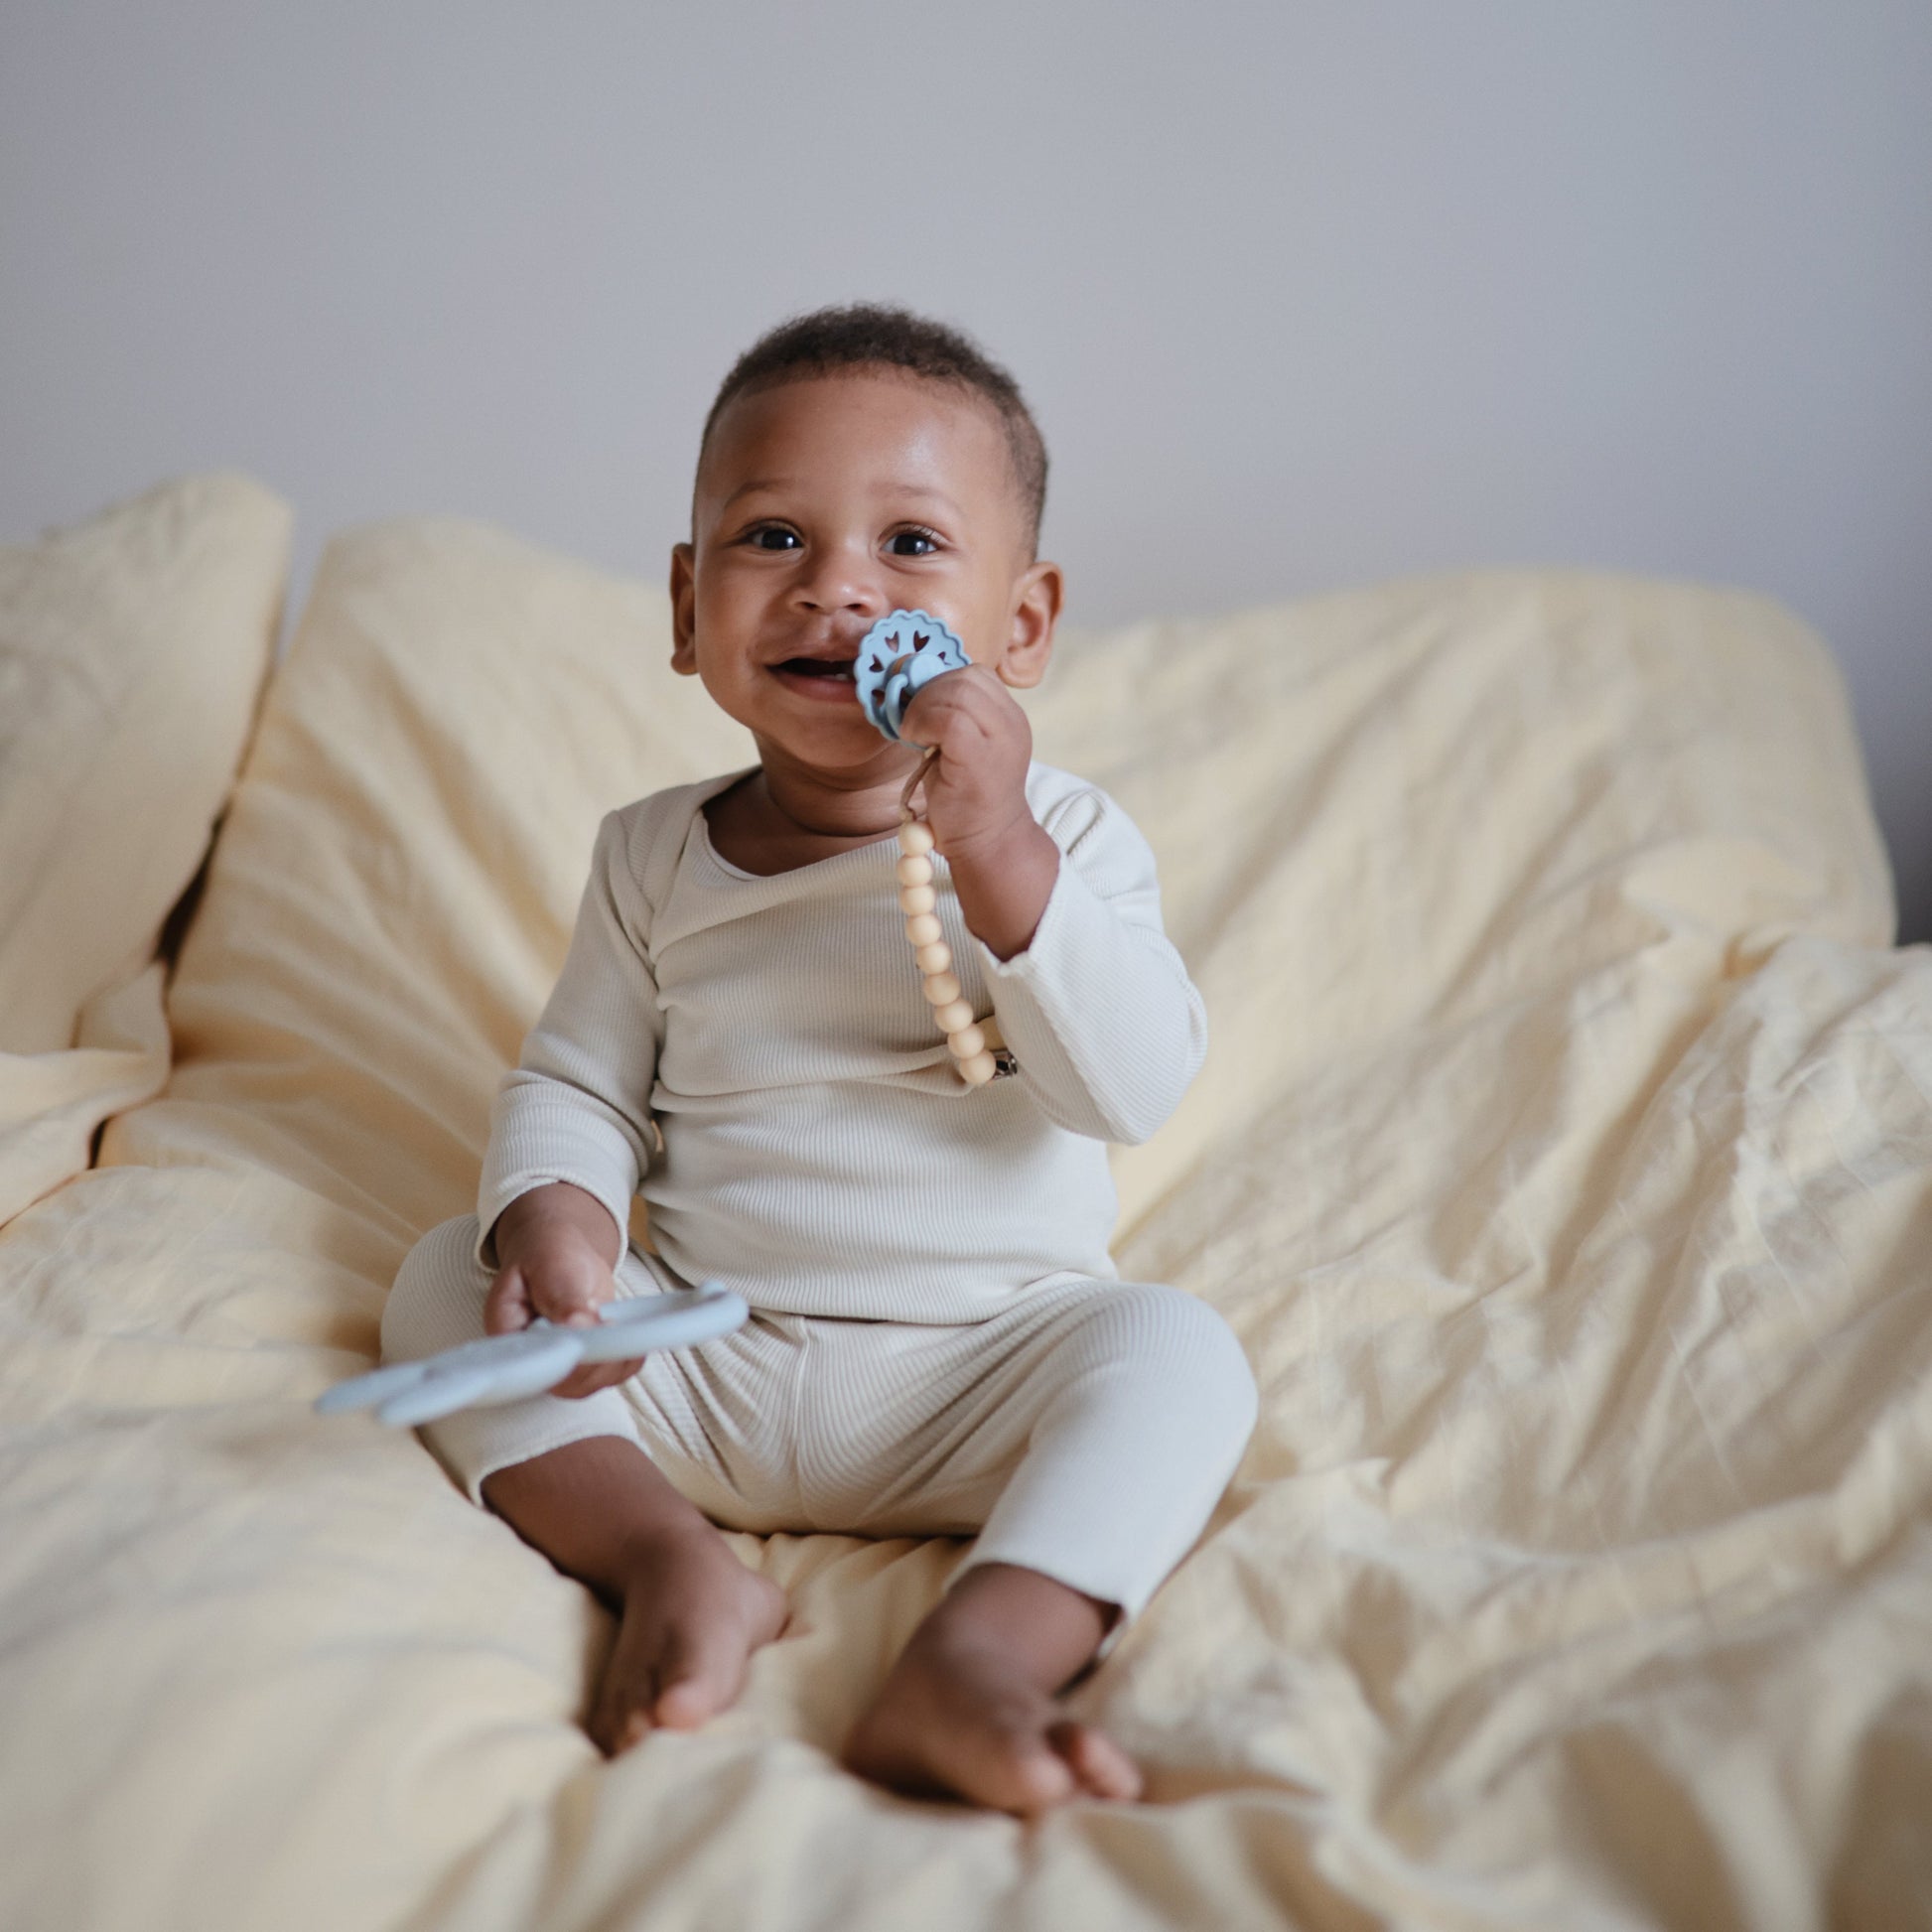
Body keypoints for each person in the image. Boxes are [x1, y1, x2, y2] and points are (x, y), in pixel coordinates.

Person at [380, 302, 1258, 1816]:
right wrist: (559, 1224)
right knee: (438, 1279)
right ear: (686, 606)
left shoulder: (1067, 840)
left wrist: (998, 849)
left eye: (909, 545)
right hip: (701, 1353)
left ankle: (977, 1656)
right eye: (773, 537)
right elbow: (577, 1083)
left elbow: (1127, 1085)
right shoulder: (651, 855)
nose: (836, 588)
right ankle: (669, 1560)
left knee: (1180, 1355)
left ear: (1021, 626)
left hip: (979, 1369)